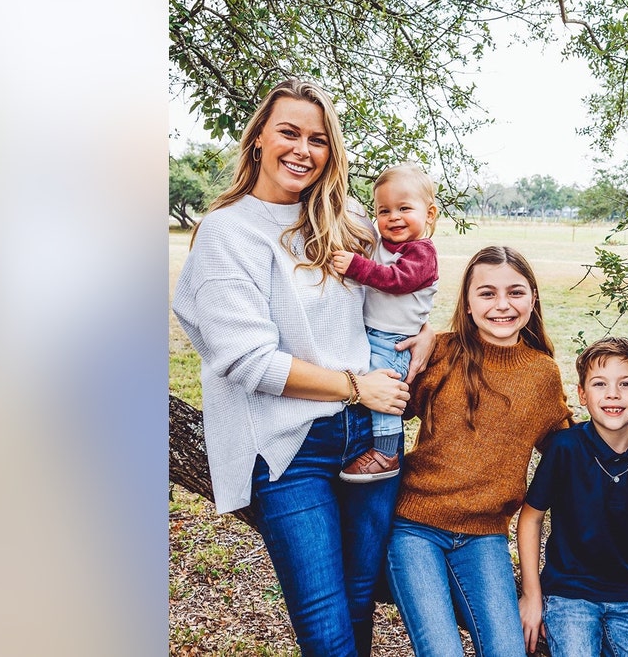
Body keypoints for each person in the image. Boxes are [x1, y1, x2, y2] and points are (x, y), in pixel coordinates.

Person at [171, 78, 433, 657]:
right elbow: (245, 357)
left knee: (362, 600)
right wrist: (353, 386)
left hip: (368, 435)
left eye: (318, 139)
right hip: (289, 446)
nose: (302, 149)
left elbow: (399, 291)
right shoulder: (227, 231)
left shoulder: (348, 223)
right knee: (324, 623)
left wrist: (427, 333)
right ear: (259, 138)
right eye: (288, 132)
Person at [385, 246, 574, 657]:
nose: (502, 305)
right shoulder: (440, 353)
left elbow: (569, 452)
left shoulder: (541, 374)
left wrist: (627, 434)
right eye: (486, 293)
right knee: (441, 650)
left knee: (508, 650)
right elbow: (385, 409)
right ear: (467, 304)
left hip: (485, 537)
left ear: (533, 299)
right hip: (415, 528)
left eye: (515, 292)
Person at [517, 336, 628, 656]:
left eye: (626, 384)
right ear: (582, 395)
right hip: (569, 596)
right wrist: (532, 596)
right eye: (600, 384)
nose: (613, 394)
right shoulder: (565, 448)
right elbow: (531, 519)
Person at [331, 162, 440, 483]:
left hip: (395, 341)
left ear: (429, 214)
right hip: (373, 334)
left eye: (404, 208)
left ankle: (387, 453)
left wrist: (356, 267)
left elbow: (396, 280)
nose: (393, 217)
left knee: (385, 396)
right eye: (384, 210)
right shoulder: (382, 244)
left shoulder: (422, 253)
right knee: (368, 389)